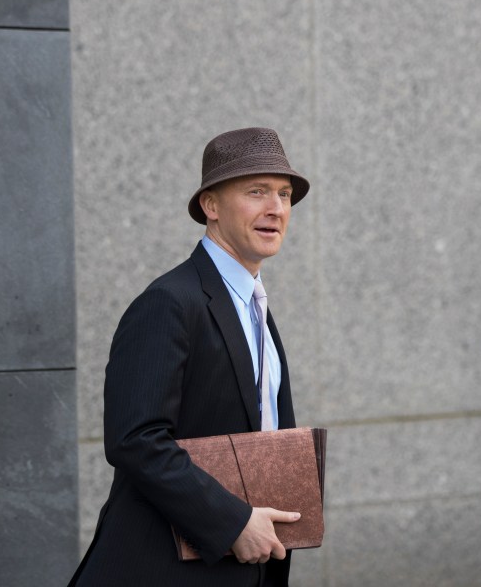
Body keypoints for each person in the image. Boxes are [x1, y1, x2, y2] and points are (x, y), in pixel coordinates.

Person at [69, 127, 311, 587]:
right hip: (161, 569)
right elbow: (135, 439)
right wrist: (233, 522)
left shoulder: (255, 305)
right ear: (211, 206)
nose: (276, 208)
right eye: (256, 191)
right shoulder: (169, 302)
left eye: (283, 194)